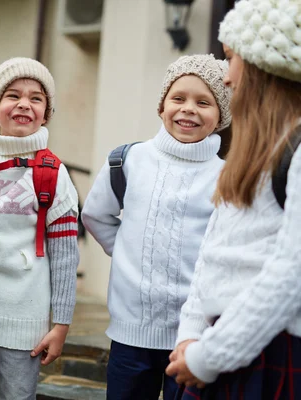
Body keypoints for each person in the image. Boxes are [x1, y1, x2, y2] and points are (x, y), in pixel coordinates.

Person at [166, 1, 301, 398]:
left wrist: (209, 355)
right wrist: (190, 336)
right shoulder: (250, 157)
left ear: (263, 68)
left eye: (231, 59)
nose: (225, 77)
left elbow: (290, 274)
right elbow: (212, 255)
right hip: (217, 348)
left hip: (263, 351)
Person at [82, 54, 232, 399]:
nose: (188, 109)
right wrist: (127, 251)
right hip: (130, 334)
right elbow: (95, 214)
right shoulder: (129, 160)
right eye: (178, 98)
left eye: (203, 102)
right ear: (162, 105)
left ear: (221, 115)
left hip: (193, 337)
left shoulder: (227, 176)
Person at [0, 57, 80, 400]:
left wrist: (61, 324)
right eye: (13, 95)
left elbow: (65, 256)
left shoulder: (53, 174)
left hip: (23, 319)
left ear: (45, 114)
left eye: (36, 98)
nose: (24, 104)